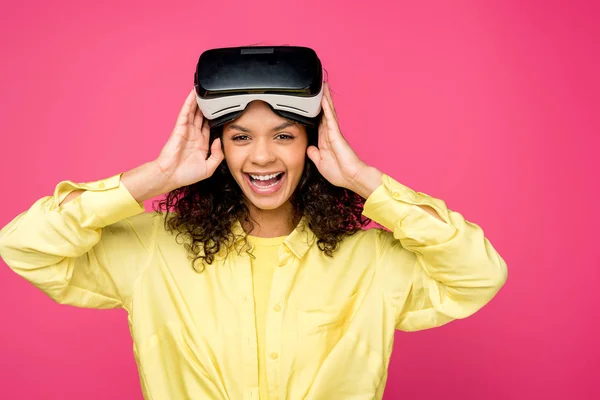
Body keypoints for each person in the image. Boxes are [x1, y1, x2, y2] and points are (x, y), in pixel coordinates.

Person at [0, 79, 507, 399]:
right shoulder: (154, 250)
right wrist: (154, 177)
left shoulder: (370, 259)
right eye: (241, 136)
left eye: (284, 135)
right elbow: (24, 245)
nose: (262, 156)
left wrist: (362, 179)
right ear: (218, 147)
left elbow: (479, 274)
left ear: (314, 145)